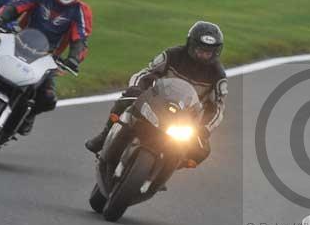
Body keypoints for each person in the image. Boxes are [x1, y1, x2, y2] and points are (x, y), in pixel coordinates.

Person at [84, 20, 227, 168]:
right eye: (200, 49)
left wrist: (204, 128)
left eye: (208, 52)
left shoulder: (218, 75)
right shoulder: (172, 54)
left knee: (202, 150)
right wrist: (138, 89)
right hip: (157, 102)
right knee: (128, 97)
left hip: (185, 117)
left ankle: (167, 167)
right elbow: (147, 73)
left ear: (216, 52)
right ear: (191, 44)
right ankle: (105, 135)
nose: (204, 54)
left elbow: (217, 108)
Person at [0, 0, 92, 134]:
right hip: (18, 41)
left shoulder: (80, 10)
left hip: (47, 57)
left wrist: (73, 58)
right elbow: (16, 5)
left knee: (47, 98)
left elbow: (80, 38)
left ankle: (28, 115)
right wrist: (1, 18)